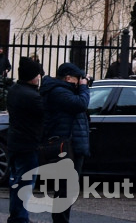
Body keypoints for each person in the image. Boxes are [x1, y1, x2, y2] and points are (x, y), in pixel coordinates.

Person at [40, 62, 90, 223]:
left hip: (73, 145)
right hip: (65, 147)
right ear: (68, 78)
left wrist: (82, 86)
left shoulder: (66, 91)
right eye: (78, 78)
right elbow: (80, 104)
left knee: (68, 189)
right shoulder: (58, 92)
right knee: (65, 189)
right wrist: (83, 88)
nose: (80, 81)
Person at [8, 57, 44, 223]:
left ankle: (16, 216)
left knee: (16, 181)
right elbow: (45, 113)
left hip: (15, 143)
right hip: (28, 145)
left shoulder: (14, 90)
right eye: (37, 74)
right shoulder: (32, 96)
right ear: (32, 76)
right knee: (24, 183)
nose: (39, 77)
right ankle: (20, 218)